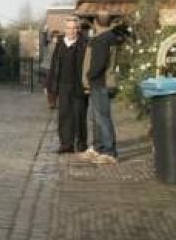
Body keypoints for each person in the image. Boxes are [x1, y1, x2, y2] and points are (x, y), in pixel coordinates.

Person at [81, 13, 129, 164]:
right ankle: (97, 147)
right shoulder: (108, 37)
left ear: (96, 22)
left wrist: (89, 76)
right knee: (96, 117)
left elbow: (99, 64)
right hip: (100, 82)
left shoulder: (103, 39)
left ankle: (109, 152)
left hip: (101, 83)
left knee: (102, 118)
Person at [46, 19, 87, 154]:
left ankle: (81, 143)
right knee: (64, 115)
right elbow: (54, 66)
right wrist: (51, 86)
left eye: (75, 28)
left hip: (79, 85)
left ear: (78, 30)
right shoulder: (60, 45)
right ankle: (66, 144)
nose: (72, 31)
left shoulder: (84, 44)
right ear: (66, 29)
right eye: (69, 28)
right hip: (63, 85)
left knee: (79, 115)